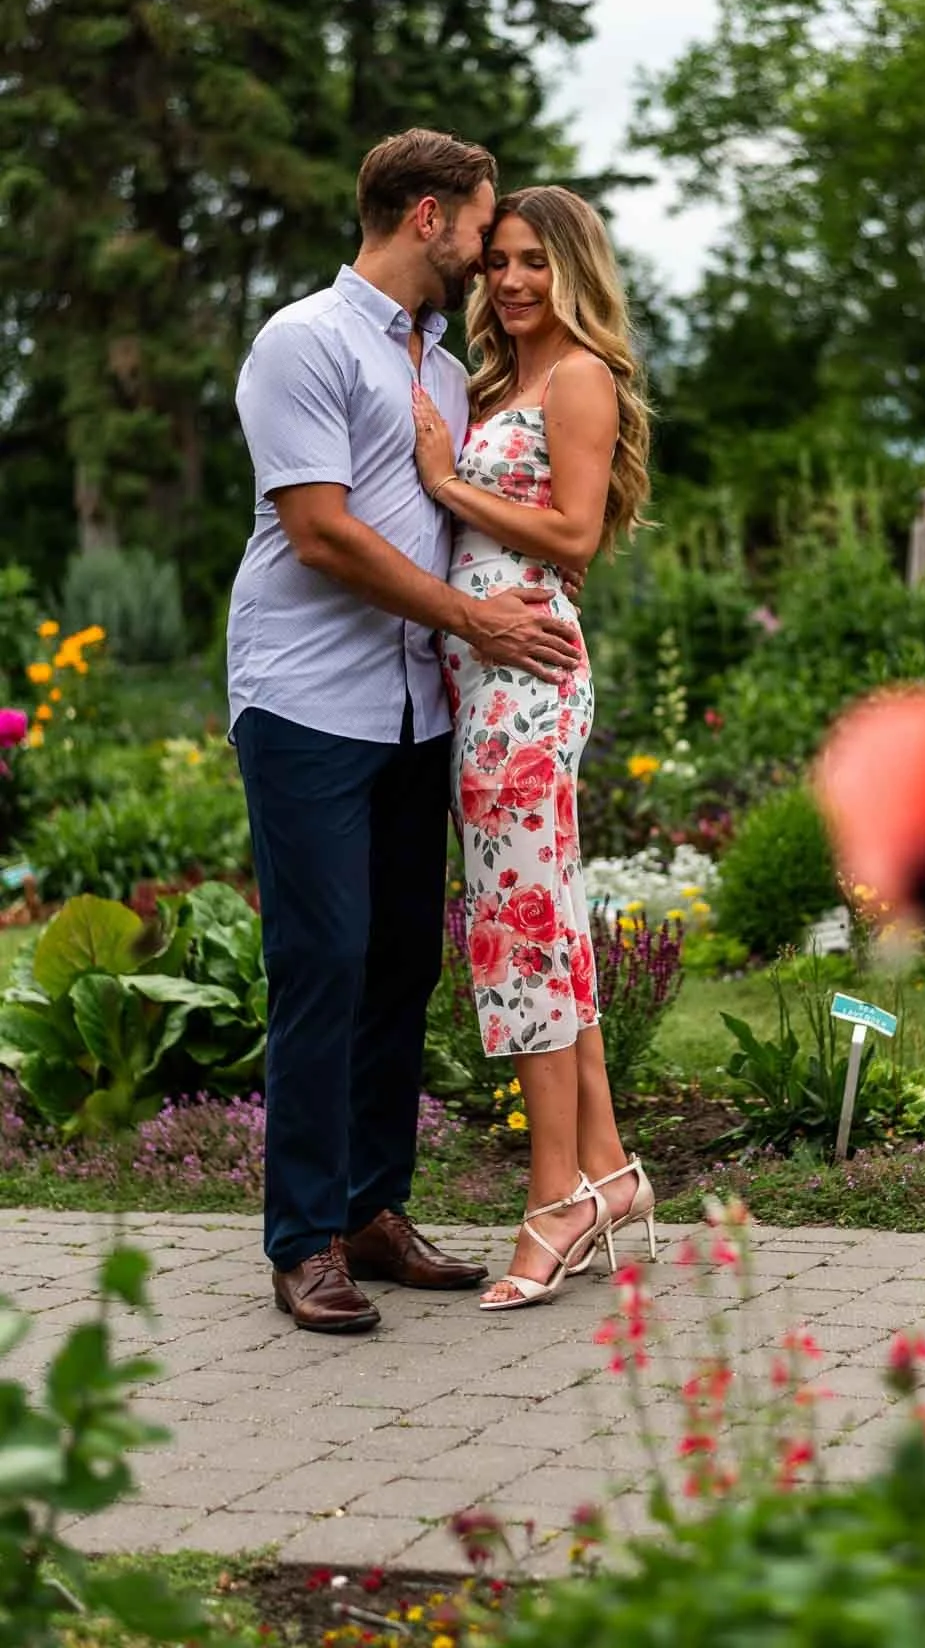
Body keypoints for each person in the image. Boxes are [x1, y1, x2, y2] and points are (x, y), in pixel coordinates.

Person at [228, 131, 583, 1334]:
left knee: (399, 967)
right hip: (305, 700)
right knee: (322, 961)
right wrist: (472, 619)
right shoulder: (302, 342)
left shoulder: (440, 365)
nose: (490, 258)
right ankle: (305, 1239)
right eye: (482, 230)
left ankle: (375, 1210)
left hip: (416, 707)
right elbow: (322, 532)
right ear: (428, 216)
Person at [411, 185, 656, 1311]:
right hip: (479, 679)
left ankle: (553, 1200)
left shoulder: (576, 378)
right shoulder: (490, 381)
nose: (508, 282)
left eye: (531, 264)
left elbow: (572, 531)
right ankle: (610, 1176)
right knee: (543, 930)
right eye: (497, 262)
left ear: (571, 270)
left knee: (516, 939)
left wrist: (449, 484)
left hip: (527, 681)